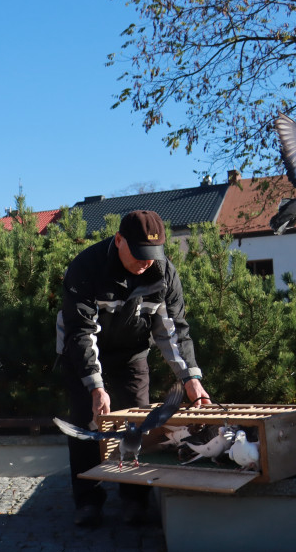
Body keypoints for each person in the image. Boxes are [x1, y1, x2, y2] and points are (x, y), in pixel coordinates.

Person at [61, 209, 211, 527]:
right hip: (83, 355)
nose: (146, 263)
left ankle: (134, 500)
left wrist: (191, 378)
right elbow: (80, 333)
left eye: (152, 256)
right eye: (140, 255)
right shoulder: (86, 268)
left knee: (137, 426)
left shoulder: (164, 274)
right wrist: (96, 387)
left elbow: (173, 332)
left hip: (132, 356)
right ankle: (88, 502)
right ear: (119, 241)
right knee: (87, 425)